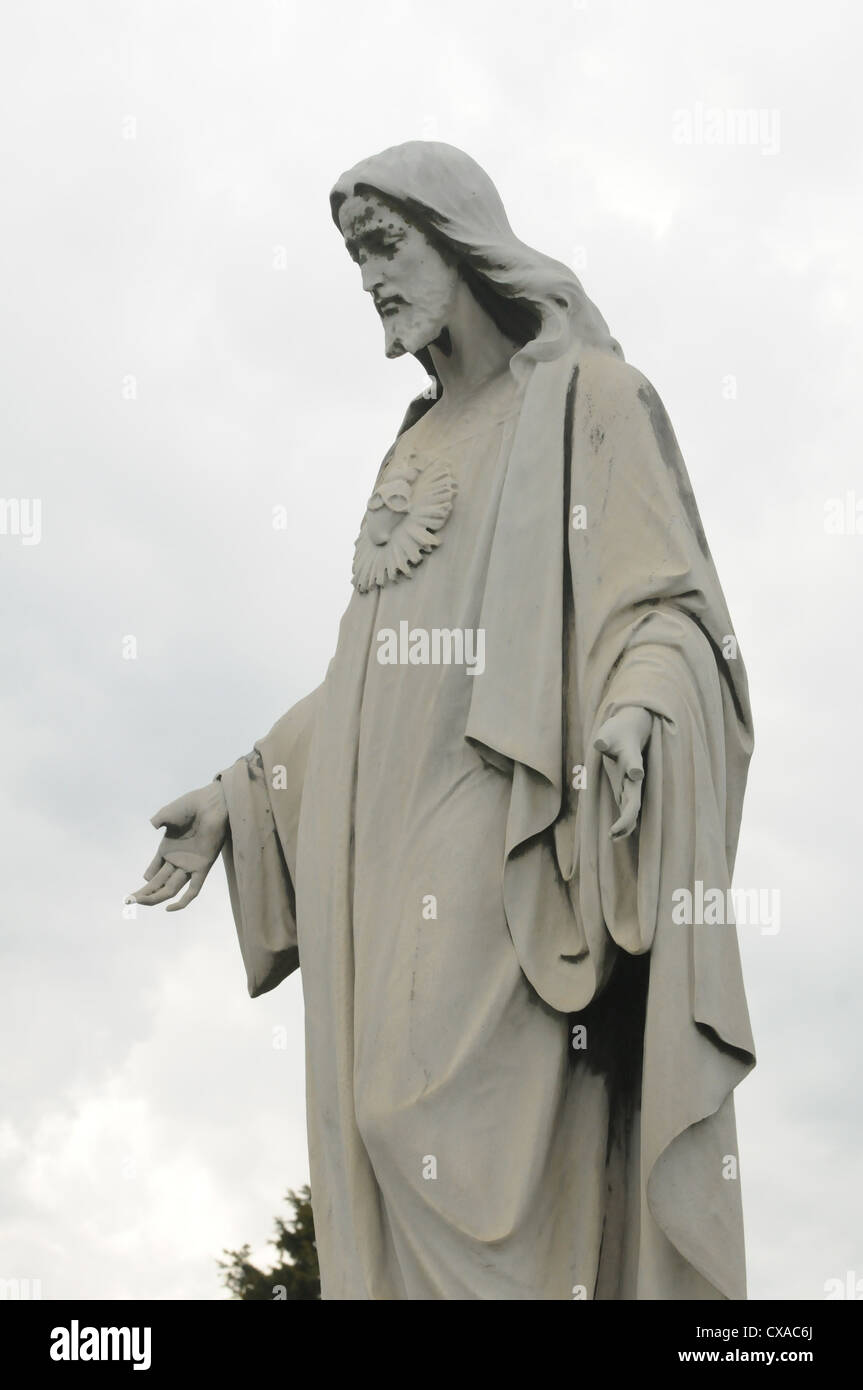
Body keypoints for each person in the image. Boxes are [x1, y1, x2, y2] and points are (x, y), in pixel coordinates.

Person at [129, 141, 755, 1301]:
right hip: (384, 836)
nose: (367, 274)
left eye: (384, 242)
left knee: (423, 1113)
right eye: (352, 255)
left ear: (461, 238)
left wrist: (635, 712)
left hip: (510, 817)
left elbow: (670, 610)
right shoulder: (414, 441)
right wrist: (240, 793)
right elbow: (376, 677)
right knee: (376, 1130)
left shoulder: (587, 398)